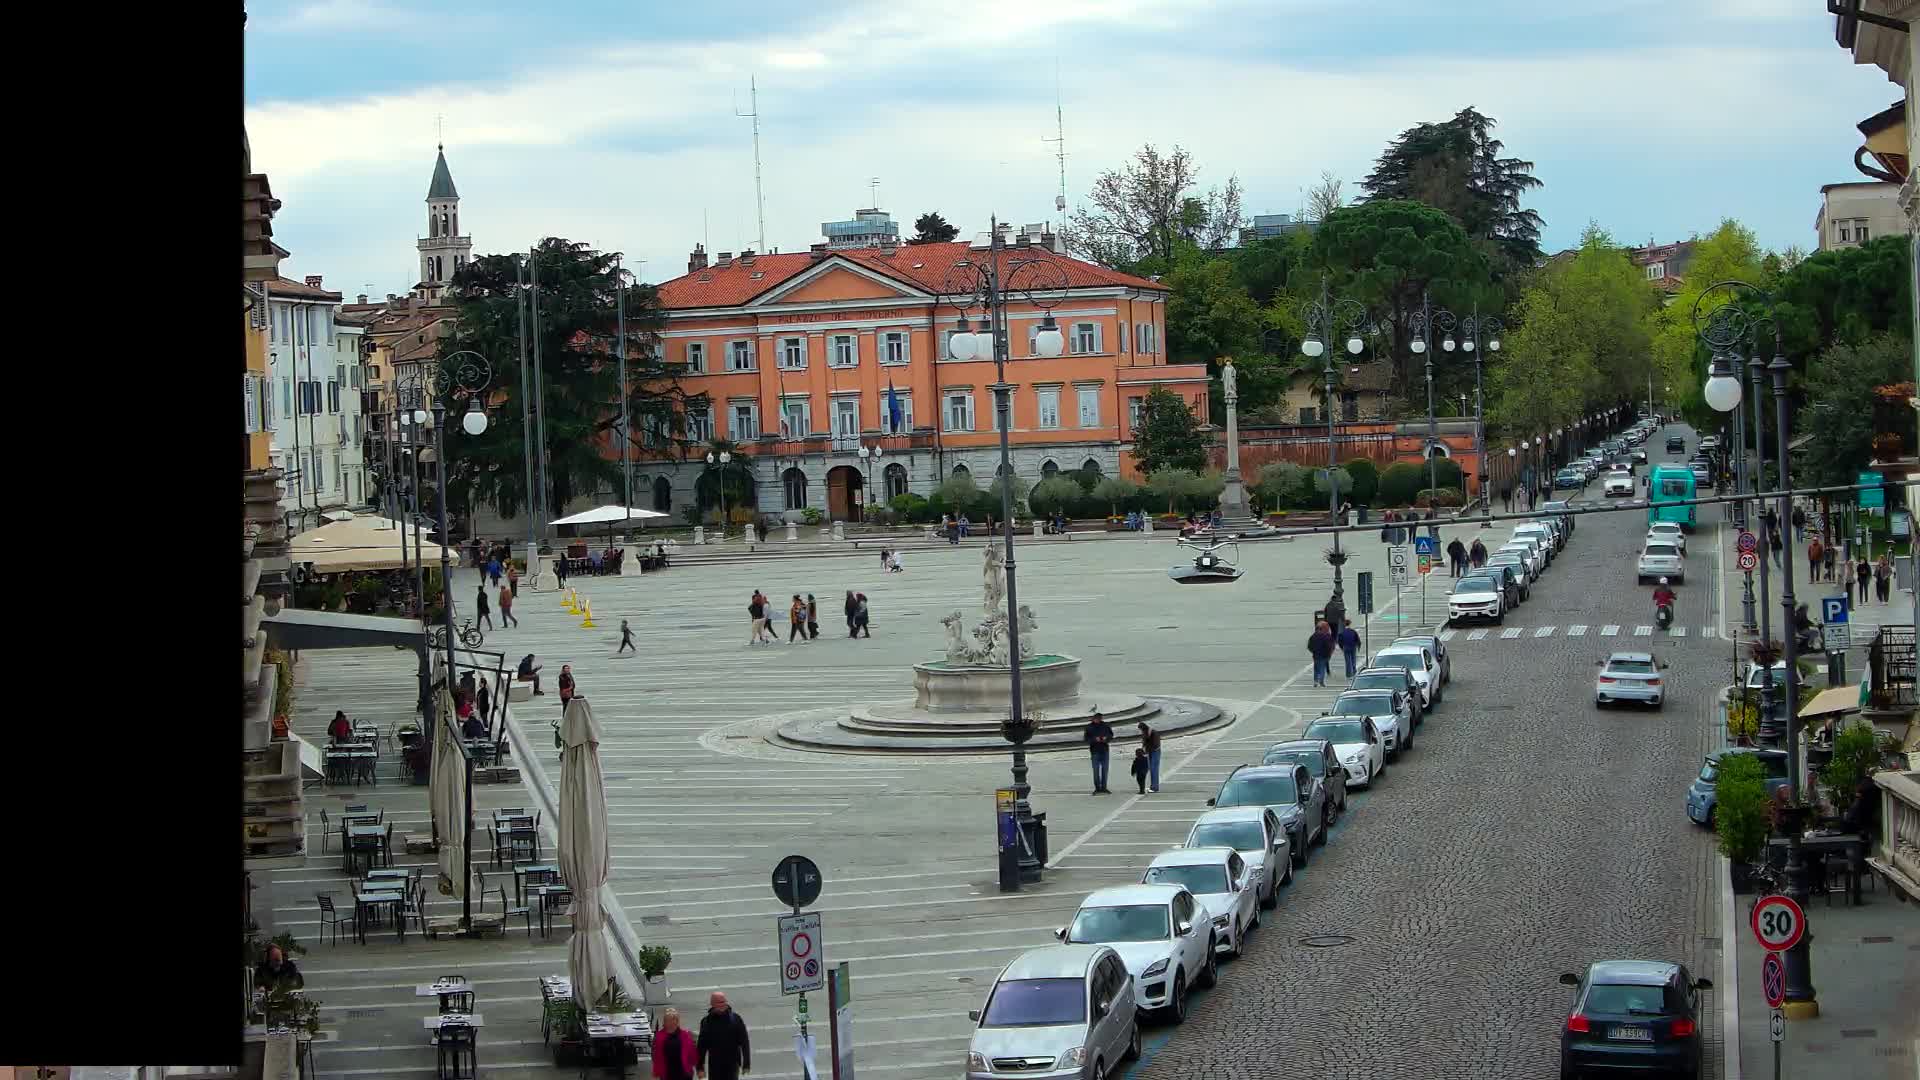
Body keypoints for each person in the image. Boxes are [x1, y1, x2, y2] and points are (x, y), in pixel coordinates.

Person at [696, 991, 751, 1080]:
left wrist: (746, 1064)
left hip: (732, 1064)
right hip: (714, 1065)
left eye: (724, 1001)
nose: (722, 1004)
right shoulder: (706, 1022)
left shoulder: (736, 1019)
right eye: (719, 1002)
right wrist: (700, 1068)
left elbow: (744, 1042)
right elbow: (701, 1046)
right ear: (712, 1004)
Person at [654, 1007, 698, 1080]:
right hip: (667, 1073)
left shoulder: (685, 1035)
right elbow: (656, 1055)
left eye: (674, 1020)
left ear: (677, 1022)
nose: (671, 1022)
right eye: (668, 1020)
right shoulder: (659, 1036)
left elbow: (693, 1054)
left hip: (684, 1073)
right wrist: (657, 1071)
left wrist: (693, 1067)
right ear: (664, 1022)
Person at [1083, 711, 1113, 794]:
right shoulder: (1089, 727)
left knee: (1105, 770)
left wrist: (1106, 738)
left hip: (1104, 750)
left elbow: (1111, 735)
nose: (1098, 720)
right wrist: (1094, 740)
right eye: (1096, 718)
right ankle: (1097, 787)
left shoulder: (1106, 726)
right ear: (1093, 718)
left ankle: (1104, 787)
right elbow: (1086, 739)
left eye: (1100, 718)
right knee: (1096, 770)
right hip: (1095, 751)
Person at [1307, 620, 1334, 688]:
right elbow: (1329, 646)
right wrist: (1329, 654)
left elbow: (1309, 646)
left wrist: (1313, 651)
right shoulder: (1326, 636)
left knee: (1316, 668)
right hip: (1324, 655)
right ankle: (1321, 681)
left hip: (1316, 655)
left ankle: (1315, 681)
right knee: (1322, 668)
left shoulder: (1313, 636)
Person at [1136, 721, 1162, 793]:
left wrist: (1147, 750)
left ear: (1143, 728)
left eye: (1141, 730)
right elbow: (1144, 743)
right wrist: (1144, 750)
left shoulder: (1154, 733)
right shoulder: (1145, 733)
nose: (1141, 732)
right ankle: (1152, 786)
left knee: (1154, 769)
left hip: (1155, 752)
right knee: (1151, 768)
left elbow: (1156, 745)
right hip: (1150, 752)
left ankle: (1155, 787)